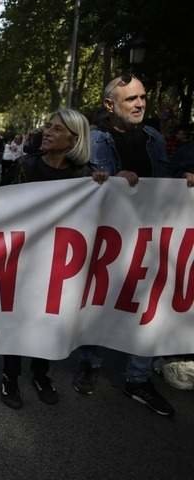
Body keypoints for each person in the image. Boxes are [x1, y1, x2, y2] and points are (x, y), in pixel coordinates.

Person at [74, 73, 175, 416]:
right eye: (131, 99)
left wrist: (185, 182)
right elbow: (79, 186)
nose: (140, 104)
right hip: (108, 242)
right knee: (99, 303)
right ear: (109, 105)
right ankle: (90, 363)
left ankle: (138, 378)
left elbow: (167, 184)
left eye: (142, 97)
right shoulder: (94, 140)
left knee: (152, 308)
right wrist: (108, 182)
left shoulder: (154, 139)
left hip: (151, 238)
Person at [0, 109, 93, 409]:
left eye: (56, 129)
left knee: (49, 318)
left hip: (62, 260)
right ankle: (9, 377)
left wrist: (110, 183)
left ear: (73, 139)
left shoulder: (86, 174)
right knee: (18, 318)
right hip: (26, 256)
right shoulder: (26, 166)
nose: (48, 132)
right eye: (48, 126)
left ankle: (41, 374)